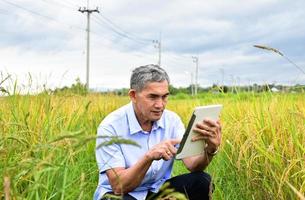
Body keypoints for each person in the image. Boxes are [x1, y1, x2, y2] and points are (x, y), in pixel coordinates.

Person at [94, 64, 222, 200]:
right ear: (133, 95)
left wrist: (211, 149)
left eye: (164, 97)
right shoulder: (110, 127)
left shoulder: (172, 120)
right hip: (120, 195)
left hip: (157, 191)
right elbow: (119, 187)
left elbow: (193, 165)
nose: (160, 105)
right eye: (153, 97)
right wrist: (148, 157)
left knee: (202, 181)